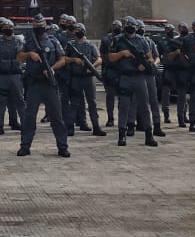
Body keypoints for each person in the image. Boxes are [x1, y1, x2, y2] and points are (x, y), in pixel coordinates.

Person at [17, 12, 69, 157]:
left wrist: (52, 68)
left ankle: (62, 146)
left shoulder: (53, 41)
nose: (38, 28)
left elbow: (63, 59)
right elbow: (19, 57)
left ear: (45, 26)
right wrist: (29, 55)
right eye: (36, 26)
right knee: (29, 117)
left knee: (57, 117)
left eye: (41, 26)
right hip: (34, 84)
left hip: (50, 84)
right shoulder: (27, 41)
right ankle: (25, 146)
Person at [108, 16, 157, 147]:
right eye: (126, 24)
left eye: (131, 24)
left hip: (139, 77)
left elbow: (151, 57)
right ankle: (122, 134)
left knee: (144, 106)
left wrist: (145, 64)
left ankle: (149, 134)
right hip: (125, 76)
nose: (128, 26)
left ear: (136, 26)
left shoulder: (143, 41)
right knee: (123, 106)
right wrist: (122, 54)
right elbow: (111, 57)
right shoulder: (117, 40)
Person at [0, 17, 24, 135]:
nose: (8, 29)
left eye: (10, 27)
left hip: (15, 74)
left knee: (19, 101)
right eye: (5, 27)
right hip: (0, 75)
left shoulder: (18, 41)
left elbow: (22, 54)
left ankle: (21, 123)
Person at [67, 23, 105, 136]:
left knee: (92, 103)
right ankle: (70, 127)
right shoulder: (70, 45)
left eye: (80, 29)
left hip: (88, 78)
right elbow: (64, 58)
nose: (78, 31)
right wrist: (74, 60)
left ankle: (96, 126)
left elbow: (99, 59)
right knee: (74, 103)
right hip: (76, 78)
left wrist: (92, 67)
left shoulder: (90, 45)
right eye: (76, 29)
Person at [99, 19, 121, 127]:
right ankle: (110, 118)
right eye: (114, 25)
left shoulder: (123, 39)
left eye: (118, 26)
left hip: (122, 71)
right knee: (110, 96)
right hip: (110, 71)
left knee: (123, 97)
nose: (116, 27)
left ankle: (123, 118)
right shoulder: (106, 39)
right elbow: (103, 55)